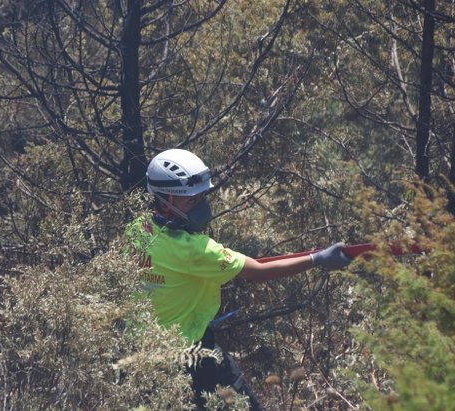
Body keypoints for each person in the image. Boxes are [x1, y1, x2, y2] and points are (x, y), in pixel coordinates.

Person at [126, 148, 352, 410]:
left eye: (202, 197)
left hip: (147, 349)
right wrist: (318, 259)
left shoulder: (137, 229)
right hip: (191, 356)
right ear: (166, 201)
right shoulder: (196, 249)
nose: (201, 207)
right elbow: (259, 271)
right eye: (192, 201)